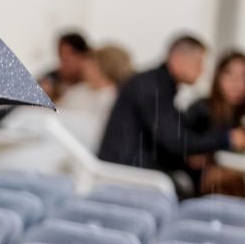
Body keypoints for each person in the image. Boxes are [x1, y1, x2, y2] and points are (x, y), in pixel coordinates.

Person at [98, 35, 245, 198]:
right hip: (129, 174)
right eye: (198, 63)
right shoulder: (154, 88)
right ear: (178, 60)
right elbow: (174, 141)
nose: (201, 70)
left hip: (134, 169)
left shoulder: (157, 85)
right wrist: (227, 139)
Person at [185, 50, 245, 196]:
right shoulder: (201, 109)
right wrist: (228, 139)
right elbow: (186, 148)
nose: (236, 83)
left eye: (243, 76)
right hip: (203, 186)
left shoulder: (239, 114)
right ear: (218, 77)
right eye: (229, 75)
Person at [57, 44, 133, 152]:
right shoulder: (79, 90)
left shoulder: (116, 99)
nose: (85, 68)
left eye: (92, 65)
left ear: (104, 68)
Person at [39, 31, 92, 103]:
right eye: (61, 58)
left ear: (82, 57)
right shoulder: (52, 79)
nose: (63, 64)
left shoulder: (93, 83)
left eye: (67, 60)